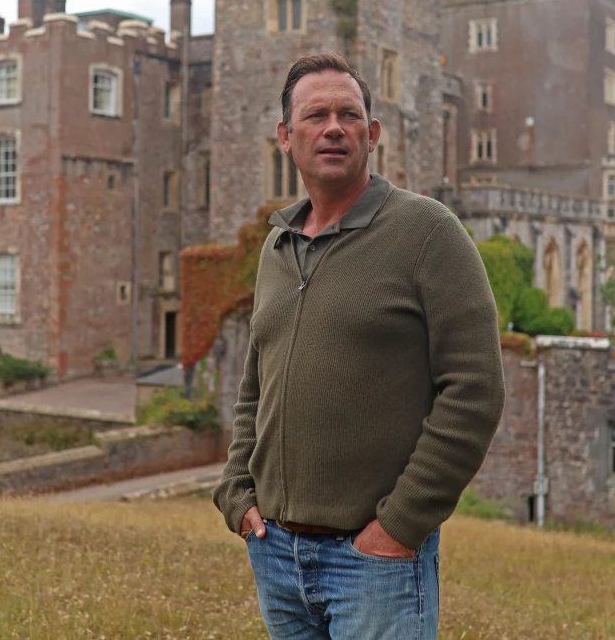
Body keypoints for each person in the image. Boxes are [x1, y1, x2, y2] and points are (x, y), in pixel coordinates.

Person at [212, 52, 505, 639]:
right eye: (315, 115)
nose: (333, 127)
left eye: (349, 115)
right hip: (276, 552)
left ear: (372, 134)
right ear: (285, 138)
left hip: (374, 564)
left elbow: (474, 390)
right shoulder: (278, 245)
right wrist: (238, 492)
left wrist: (399, 525)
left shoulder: (427, 232)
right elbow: (255, 385)